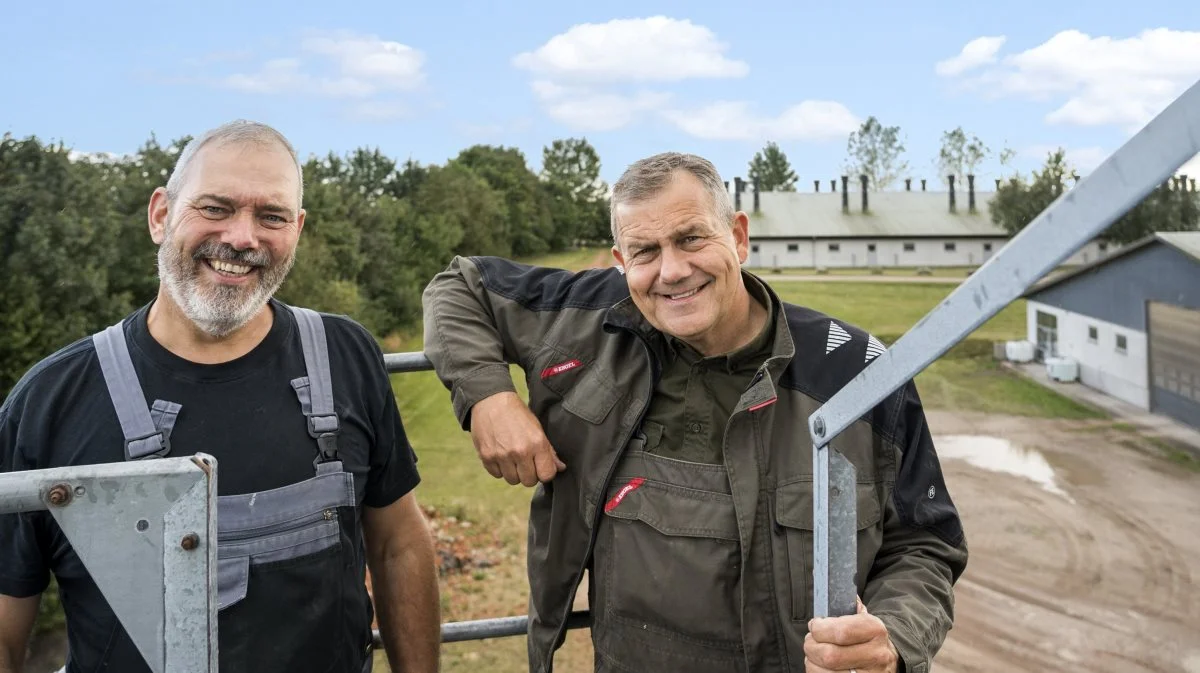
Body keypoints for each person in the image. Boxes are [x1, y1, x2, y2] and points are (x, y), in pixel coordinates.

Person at [421, 152, 968, 673]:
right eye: (645, 251)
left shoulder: (854, 370)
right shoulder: (588, 323)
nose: (672, 271)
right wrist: (489, 397)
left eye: (690, 239)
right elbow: (459, 285)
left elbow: (924, 543)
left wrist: (893, 638)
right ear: (620, 262)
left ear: (738, 236)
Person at [0, 120, 440, 673]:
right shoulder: (51, 400)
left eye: (271, 216)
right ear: (161, 214)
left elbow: (399, 543)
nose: (242, 238)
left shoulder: (344, 355)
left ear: (297, 229)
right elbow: (6, 626)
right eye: (215, 207)